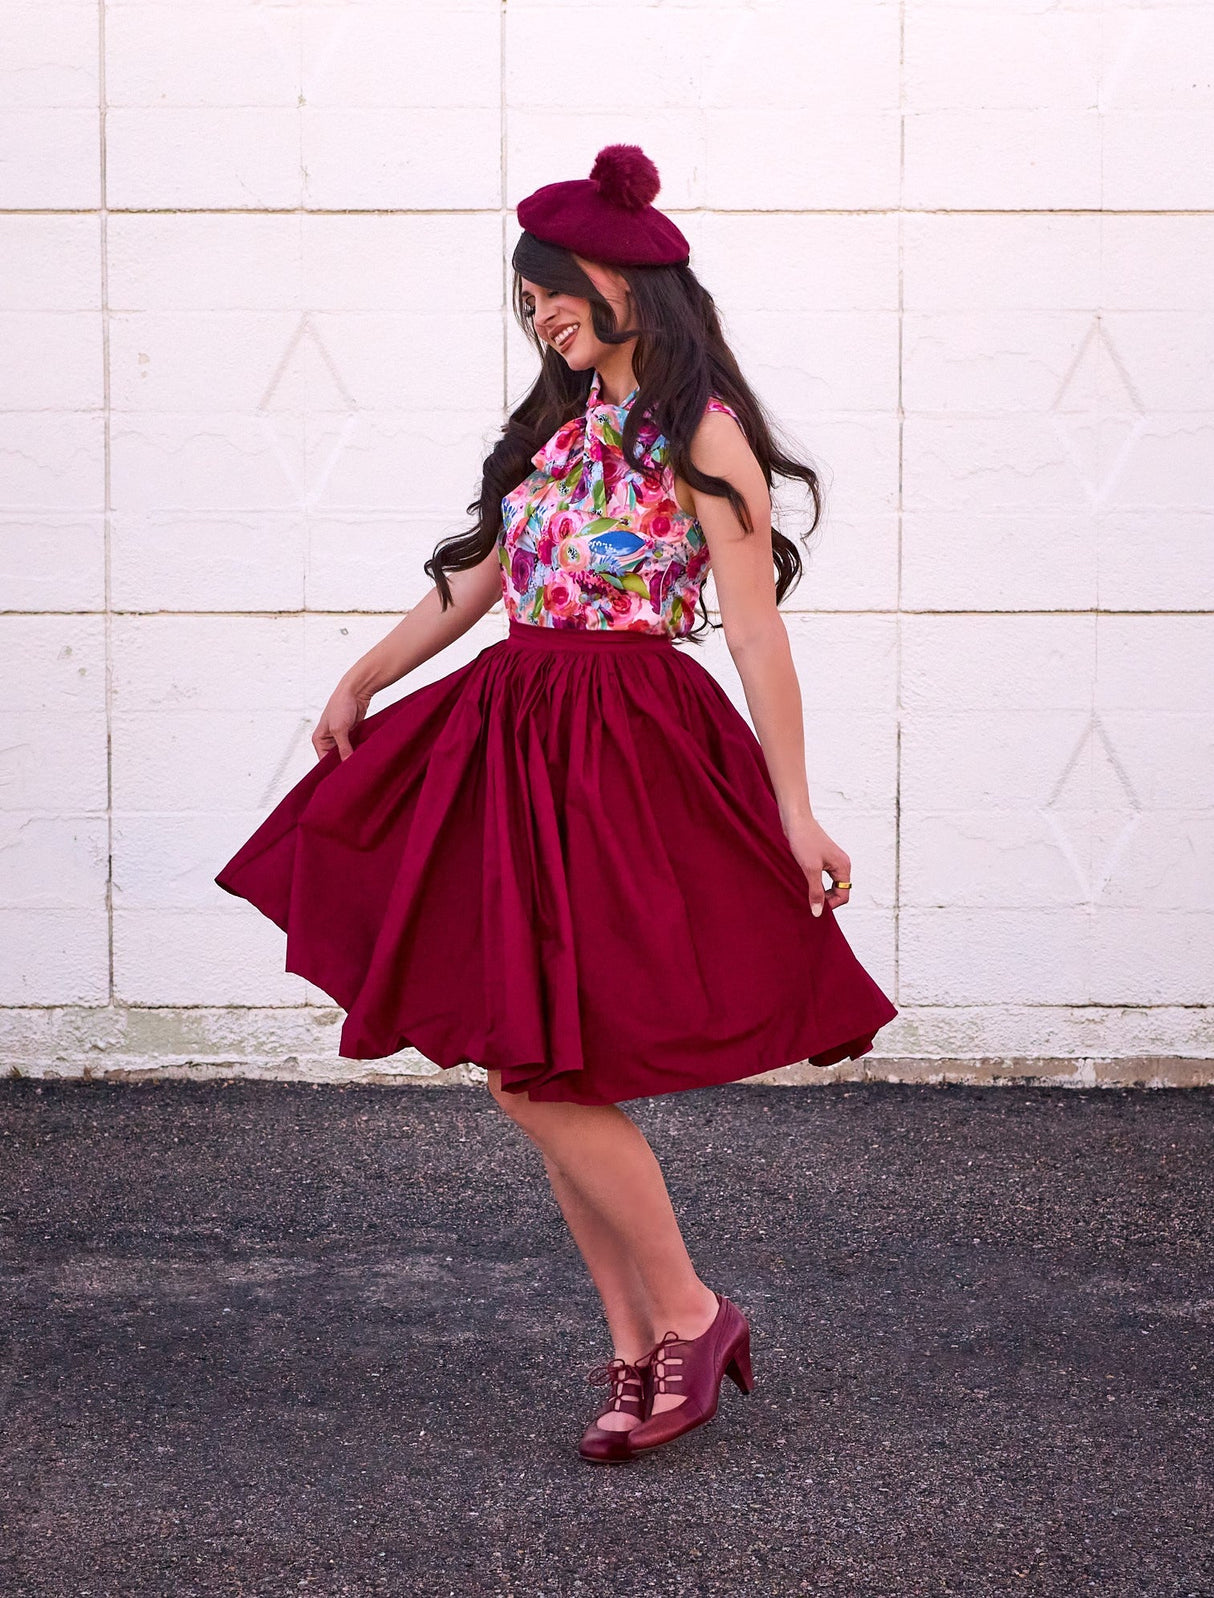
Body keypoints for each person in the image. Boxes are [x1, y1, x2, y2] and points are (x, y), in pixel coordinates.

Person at [215, 143, 898, 1463]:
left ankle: (691, 1317)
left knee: (539, 1073)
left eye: (554, 290)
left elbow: (756, 639)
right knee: (533, 1062)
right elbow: (478, 578)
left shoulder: (704, 439)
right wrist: (366, 669)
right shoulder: (558, 427)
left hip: (622, 753)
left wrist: (795, 809)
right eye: (526, 300)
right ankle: (641, 1347)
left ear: (631, 280)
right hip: (513, 738)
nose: (539, 315)